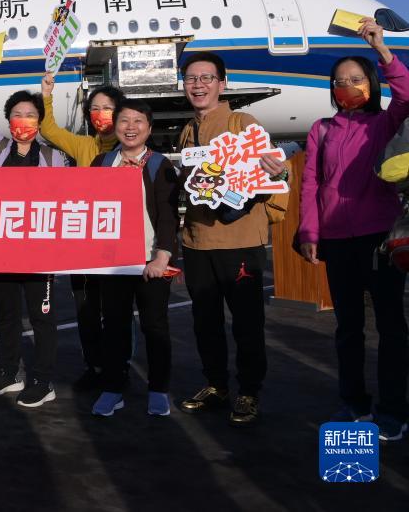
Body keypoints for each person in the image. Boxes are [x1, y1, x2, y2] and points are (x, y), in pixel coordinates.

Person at [299, 19, 409, 442]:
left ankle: (394, 409)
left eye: (356, 79)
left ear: (371, 83)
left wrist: (382, 50)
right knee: (347, 327)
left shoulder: (385, 122)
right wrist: (310, 232)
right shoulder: (321, 129)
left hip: (379, 238)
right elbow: (311, 183)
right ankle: (354, 401)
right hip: (337, 240)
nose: (347, 86)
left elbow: (407, 94)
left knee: (391, 327)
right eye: (340, 81)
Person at [177, 51, 286, 427]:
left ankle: (249, 391)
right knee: (204, 321)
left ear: (222, 84)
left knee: (246, 323)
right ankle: (216, 385)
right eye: (191, 79)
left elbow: (271, 174)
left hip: (239, 240)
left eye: (207, 78)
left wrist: (278, 170)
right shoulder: (188, 130)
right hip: (196, 241)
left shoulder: (243, 122)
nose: (198, 85)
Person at [0, 46, 71, 408]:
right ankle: (9, 372)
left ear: (40, 122)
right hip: (3, 253)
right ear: (8, 119)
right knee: (7, 316)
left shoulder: (54, 157)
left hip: (40, 256)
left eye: (30, 115)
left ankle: (42, 379)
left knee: (43, 319)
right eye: (17, 114)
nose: (23, 120)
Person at [90, 99, 180, 417]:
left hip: (151, 261)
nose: (130, 127)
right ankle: (113, 388)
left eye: (138, 121)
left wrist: (161, 257)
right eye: (124, 121)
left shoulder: (159, 165)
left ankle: (158, 389)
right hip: (114, 262)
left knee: (155, 327)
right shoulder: (102, 162)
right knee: (114, 326)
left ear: (149, 128)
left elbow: (169, 216)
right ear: (114, 127)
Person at [40, 74, 125, 391]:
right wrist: (47, 95)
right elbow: (48, 130)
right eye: (95, 108)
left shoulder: (129, 148)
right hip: (85, 246)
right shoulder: (84, 145)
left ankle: (119, 366)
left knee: (116, 312)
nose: (100, 114)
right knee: (86, 310)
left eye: (108, 108)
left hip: (117, 247)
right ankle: (94, 365)